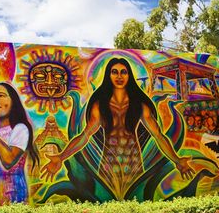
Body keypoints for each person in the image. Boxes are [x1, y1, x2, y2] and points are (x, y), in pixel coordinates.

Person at [40, 57, 193, 199]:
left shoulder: (139, 104)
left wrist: (177, 160)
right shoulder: (100, 105)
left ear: (129, 76)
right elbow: (85, 136)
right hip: (108, 165)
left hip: (134, 164)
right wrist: (60, 157)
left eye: (123, 72)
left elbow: (158, 135)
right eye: (115, 72)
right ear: (109, 75)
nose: (119, 76)